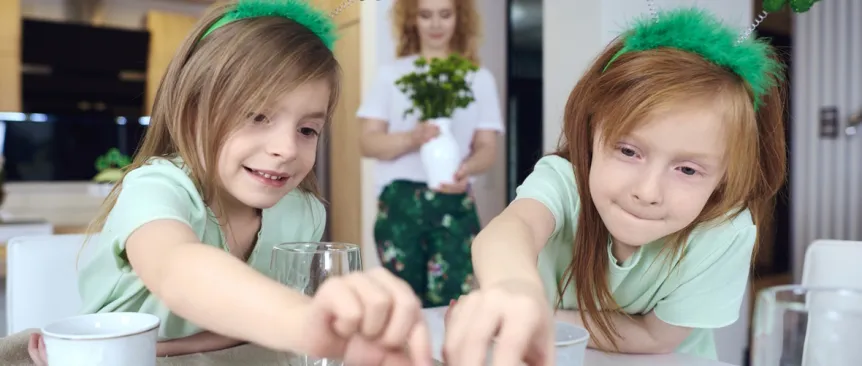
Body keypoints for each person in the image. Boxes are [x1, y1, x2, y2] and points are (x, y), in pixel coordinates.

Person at [28, 1, 432, 365]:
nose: (286, 148)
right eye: (257, 117)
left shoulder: (302, 211)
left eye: (308, 129)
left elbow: (248, 329)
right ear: (192, 115)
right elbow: (178, 270)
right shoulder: (157, 187)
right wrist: (307, 321)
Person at [443, 7, 788, 365]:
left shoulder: (725, 231)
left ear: (725, 176)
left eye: (687, 170)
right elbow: (513, 228)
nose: (648, 192)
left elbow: (656, 338)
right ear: (592, 133)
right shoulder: (565, 182)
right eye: (628, 151)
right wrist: (513, 290)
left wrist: (540, 319)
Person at [357, 0, 504, 308]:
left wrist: (466, 170)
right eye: (426, 15)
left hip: (454, 200)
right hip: (399, 202)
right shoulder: (391, 75)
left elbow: (487, 149)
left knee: (453, 305)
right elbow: (367, 143)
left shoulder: (478, 78)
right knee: (401, 305)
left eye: (445, 14)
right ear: (412, 19)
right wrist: (413, 137)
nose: (436, 24)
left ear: (459, 18)